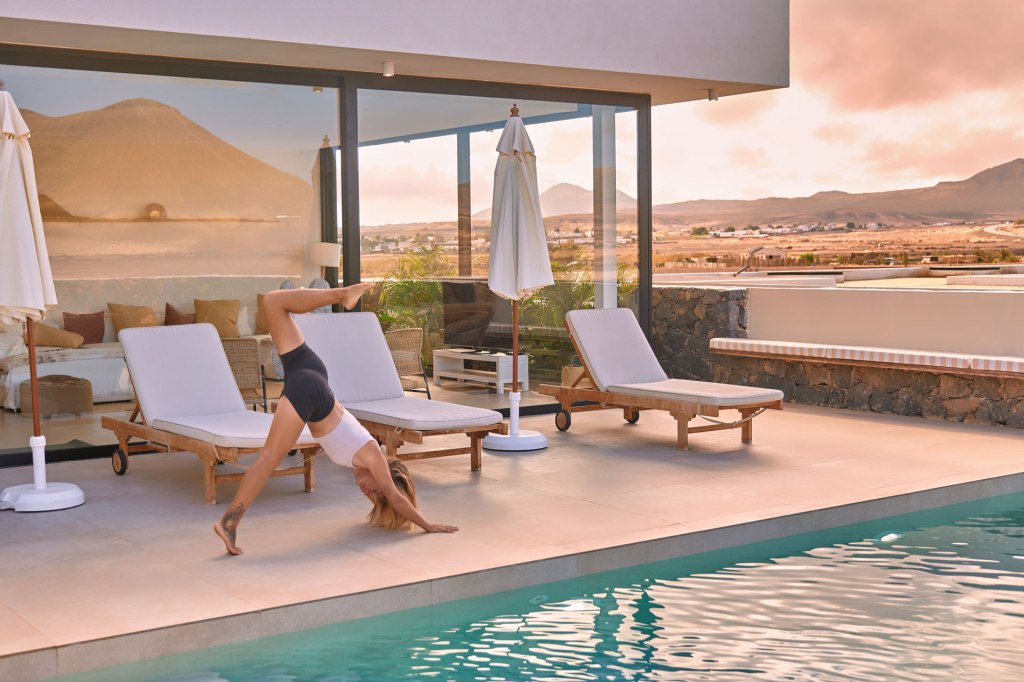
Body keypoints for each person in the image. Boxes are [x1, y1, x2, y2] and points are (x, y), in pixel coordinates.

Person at [214, 283, 457, 555]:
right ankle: (229, 522)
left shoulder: (362, 457)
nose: (369, 492)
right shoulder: (374, 456)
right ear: (388, 475)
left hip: (310, 374)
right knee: (270, 457)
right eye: (377, 492)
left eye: (372, 497)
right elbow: (396, 498)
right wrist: (428, 525)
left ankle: (341, 295)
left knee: (272, 303)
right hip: (311, 389)